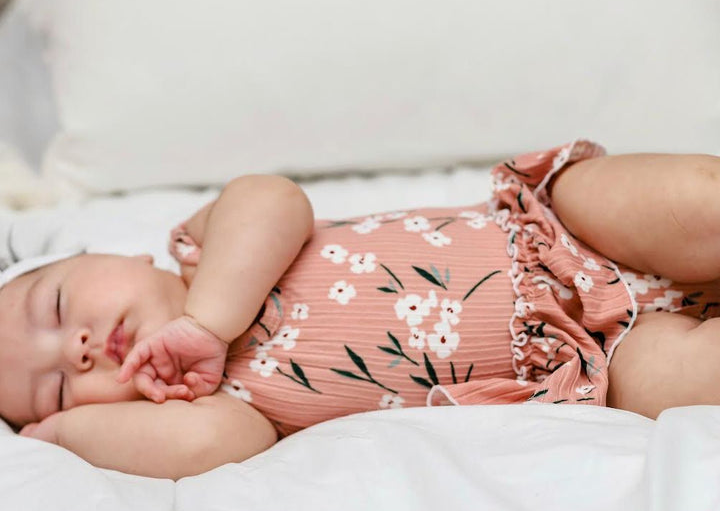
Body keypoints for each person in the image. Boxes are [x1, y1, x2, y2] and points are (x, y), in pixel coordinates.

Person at [3, 140, 720, 479]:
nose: (80, 348)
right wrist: (63, 435)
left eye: (57, 306)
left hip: (561, 232)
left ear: (118, 257)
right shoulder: (232, 406)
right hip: (588, 358)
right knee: (682, 380)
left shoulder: (204, 244)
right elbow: (198, 451)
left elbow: (275, 198)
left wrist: (208, 323)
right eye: (58, 382)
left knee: (694, 201)